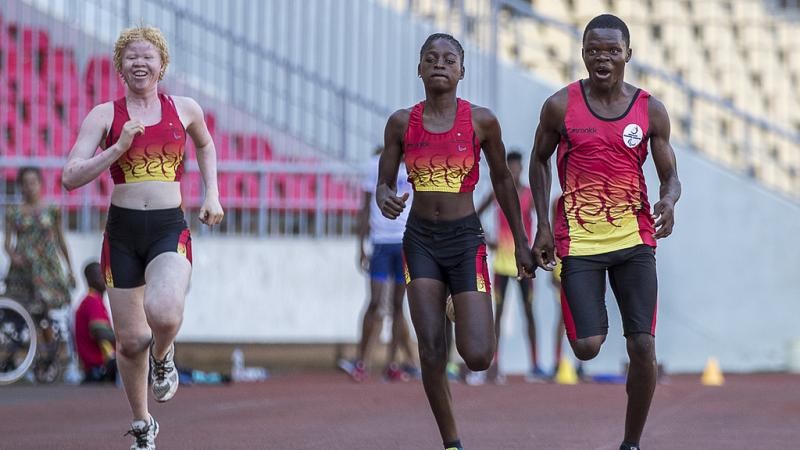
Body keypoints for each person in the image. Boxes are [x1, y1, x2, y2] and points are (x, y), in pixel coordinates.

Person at [62, 26, 223, 449]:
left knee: (165, 312)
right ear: (120, 66)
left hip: (169, 227)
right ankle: (142, 424)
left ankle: (164, 356)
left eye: (148, 56)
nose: (139, 63)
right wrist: (117, 148)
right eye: (131, 56)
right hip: (122, 234)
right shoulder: (104, 115)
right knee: (131, 341)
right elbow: (69, 177)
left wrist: (212, 193)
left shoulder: (184, 109)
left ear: (162, 65)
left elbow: (205, 145)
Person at [529, 15, 681, 450]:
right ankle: (592, 318)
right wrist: (543, 225)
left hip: (635, 241)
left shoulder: (650, 110)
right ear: (582, 53)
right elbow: (539, 161)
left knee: (643, 347)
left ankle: (631, 442)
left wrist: (669, 202)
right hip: (580, 243)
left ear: (628, 54)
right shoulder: (560, 106)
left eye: (613, 50)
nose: (603, 58)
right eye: (594, 50)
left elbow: (670, 176)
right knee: (587, 347)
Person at [377, 33, 535, 450]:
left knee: (478, 356)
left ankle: (456, 304)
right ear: (419, 68)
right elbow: (383, 182)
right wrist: (384, 197)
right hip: (420, 241)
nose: (439, 64)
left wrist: (521, 242)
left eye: (449, 59)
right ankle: (452, 442)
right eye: (431, 58)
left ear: (462, 71)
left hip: (465, 240)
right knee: (431, 350)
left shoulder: (482, 122)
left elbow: (503, 181)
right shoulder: (400, 123)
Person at [340, 146, 419, 382]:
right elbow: (365, 207)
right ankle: (361, 360)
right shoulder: (375, 165)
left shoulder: (414, 166)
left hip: (405, 243)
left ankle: (392, 363)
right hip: (381, 243)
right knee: (374, 302)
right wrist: (360, 246)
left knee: (398, 305)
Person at [475, 150, 545, 384]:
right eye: (510, 168)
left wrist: (537, 247)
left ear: (521, 168)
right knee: (498, 312)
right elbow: (475, 215)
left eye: (516, 167)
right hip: (502, 263)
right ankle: (495, 364)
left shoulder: (529, 195)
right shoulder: (498, 193)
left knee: (529, 312)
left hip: (524, 263)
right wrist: (487, 238)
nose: (514, 171)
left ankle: (535, 365)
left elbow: (542, 221)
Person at [3, 167, 75, 348]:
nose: (30, 187)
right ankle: (29, 350)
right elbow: (7, 244)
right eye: (25, 183)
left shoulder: (52, 209)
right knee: (22, 309)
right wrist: (14, 257)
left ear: (40, 184)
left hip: (48, 267)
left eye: (33, 182)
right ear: (20, 186)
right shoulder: (13, 211)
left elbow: (61, 240)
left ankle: (50, 350)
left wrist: (70, 269)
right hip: (23, 268)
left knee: (48, 308)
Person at [74, 262, 117, 383]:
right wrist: (126, 340)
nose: (104, 278)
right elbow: (100, 333)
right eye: (100, 275)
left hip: (94, 369)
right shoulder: (93, 301)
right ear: (89, 279)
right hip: (98, 368)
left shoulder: (92, 300)